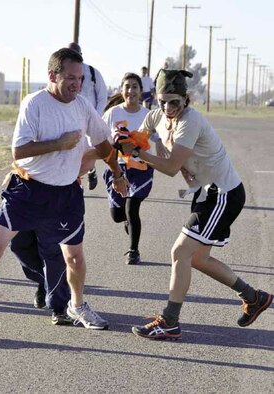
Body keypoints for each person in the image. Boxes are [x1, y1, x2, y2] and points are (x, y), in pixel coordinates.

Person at [0, 47, 127, 335]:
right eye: (70, 78)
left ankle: (77, 305)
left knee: (74, 257)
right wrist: (58, 144)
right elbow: (19, 150)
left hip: (65, 195)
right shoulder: (34, 104)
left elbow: (103, 144)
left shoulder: (82, 106)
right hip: (28, 190)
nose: (77, 84)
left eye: (80, 79)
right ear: (52, 75)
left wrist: (118, 174)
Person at [128, 69, 272, 340]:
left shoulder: (190, 121)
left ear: (187, 99)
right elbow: (138, 137)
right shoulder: (155, 115)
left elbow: (169, 166)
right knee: (197, 258)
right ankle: (254, 298)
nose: (168, 108)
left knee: (179, 252)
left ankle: (170, 321)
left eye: (174, 102)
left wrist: (138, 152)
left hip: (223, 193)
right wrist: (125, 139)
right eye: (162, 101)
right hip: (206, 191)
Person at [102, 72, 163, 265]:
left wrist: (162, 145)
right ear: (122, 90)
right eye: (127, 87)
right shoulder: (113, 113)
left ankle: (133, 250)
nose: (131, 91)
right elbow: (99, 135)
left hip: (141, 168)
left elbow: (157, 136)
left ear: (141, 90)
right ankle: (128, 221)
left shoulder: (148, 115)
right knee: (117, 215)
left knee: (132, 206)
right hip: (117, 167)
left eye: (135, 87)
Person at [68, 42, 107, 191]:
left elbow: (102, 96)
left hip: (90, 120)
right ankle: (76, 186)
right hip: (71, 121)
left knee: (88, 151)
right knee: (73, 154)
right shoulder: (63, 75)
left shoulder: (93, 73)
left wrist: (95, 117)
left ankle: (90, 171)